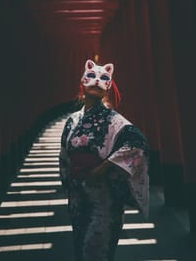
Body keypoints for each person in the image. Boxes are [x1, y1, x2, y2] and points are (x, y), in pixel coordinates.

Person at [59, 59, 149, 261]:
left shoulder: (113, 119)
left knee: (97, 249)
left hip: (104, 197)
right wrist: (68, 181)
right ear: (83, 82)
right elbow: (64, 153)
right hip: (78, 196)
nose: (97, 82)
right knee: (81, 248)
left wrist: (104, 168)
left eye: (104, 79)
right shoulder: (72, 120)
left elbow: (138, 144)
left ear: (107, 86)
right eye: (92, 77)